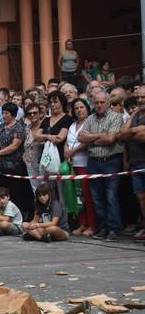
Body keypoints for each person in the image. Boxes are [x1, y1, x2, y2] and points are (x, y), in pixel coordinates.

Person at [78, 91, 124, 242]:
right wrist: (100, 136)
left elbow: (111, 138)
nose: (99, 105)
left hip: (111, 160)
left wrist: (92, 138)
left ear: (108, 102)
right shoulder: (90, 118)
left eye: (102, 102)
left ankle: (114, 229)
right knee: (97, 198)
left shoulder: (116, 117)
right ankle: (103, 227)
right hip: (94, 161)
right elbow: (81, 137)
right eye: (96, 102)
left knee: (111, 197)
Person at [0, 102, 34, 219]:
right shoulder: (0, 127)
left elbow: (14, 146)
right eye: (3, 113)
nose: (4, 115)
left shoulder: (19, 128)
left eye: (6, 113)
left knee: (15, 192)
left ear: (13, 114)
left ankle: (18, 216)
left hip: (13, 167)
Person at [65, 98, 96, 236]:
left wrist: (73, 151)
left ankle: (92, 225)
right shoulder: (72, 125)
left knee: (87, 196)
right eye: (76, 108)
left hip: (85, 164)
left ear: (87, 108)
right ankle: (82, 223)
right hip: (73, 165)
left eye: (81, 107)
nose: (79, 110)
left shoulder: (90, 123)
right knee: (78, 196)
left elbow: (87, 142)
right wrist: (66, 151)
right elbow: (67, 141)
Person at [118, 86, 145, 241]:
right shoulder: (135, 115)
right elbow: (122, 134)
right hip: (136, 163)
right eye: (139, 98)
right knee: (140, 198)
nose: (141, 100)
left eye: (143, 97)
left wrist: (131, 133)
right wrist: (135, 128)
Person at [23, 103, 44, 192]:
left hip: (44, 163)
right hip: (30, 164)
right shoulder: (27, 129)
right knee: (35, 190)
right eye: (29, 113)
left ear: (40, 113)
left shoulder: (46, 125)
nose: (32, 115)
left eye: (35, 113)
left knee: (46, 189)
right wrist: (24, 154)